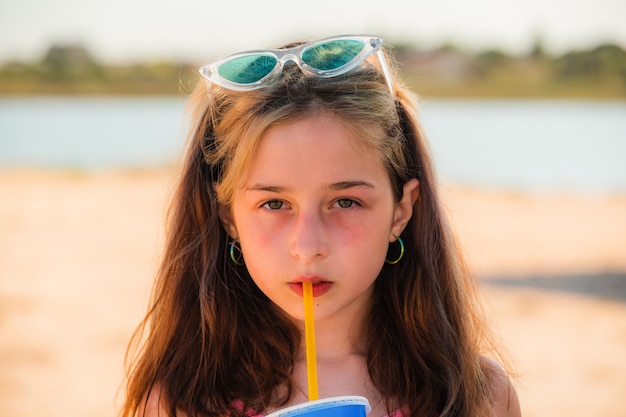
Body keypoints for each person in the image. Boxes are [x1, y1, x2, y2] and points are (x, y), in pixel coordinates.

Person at [121, 34, 521, 417]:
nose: (308, 245)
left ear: (401, 211)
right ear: (229, 218)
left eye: (346, 202)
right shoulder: (177, 405)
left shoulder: (480, 396)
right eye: (274, 203)